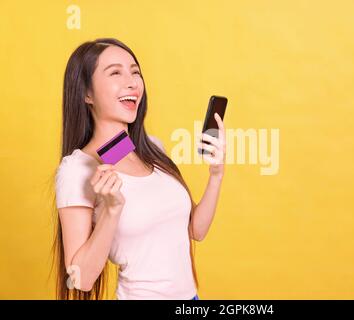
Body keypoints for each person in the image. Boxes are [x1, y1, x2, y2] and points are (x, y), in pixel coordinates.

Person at [52, 38, 226, 300]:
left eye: (135, 72)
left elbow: (195, 231)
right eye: (115, 72)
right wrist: (111, 210)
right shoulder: (78, 169)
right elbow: (80, 279)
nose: (132, 82)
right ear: (87, 93)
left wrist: (216, 174)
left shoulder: (151, 148)